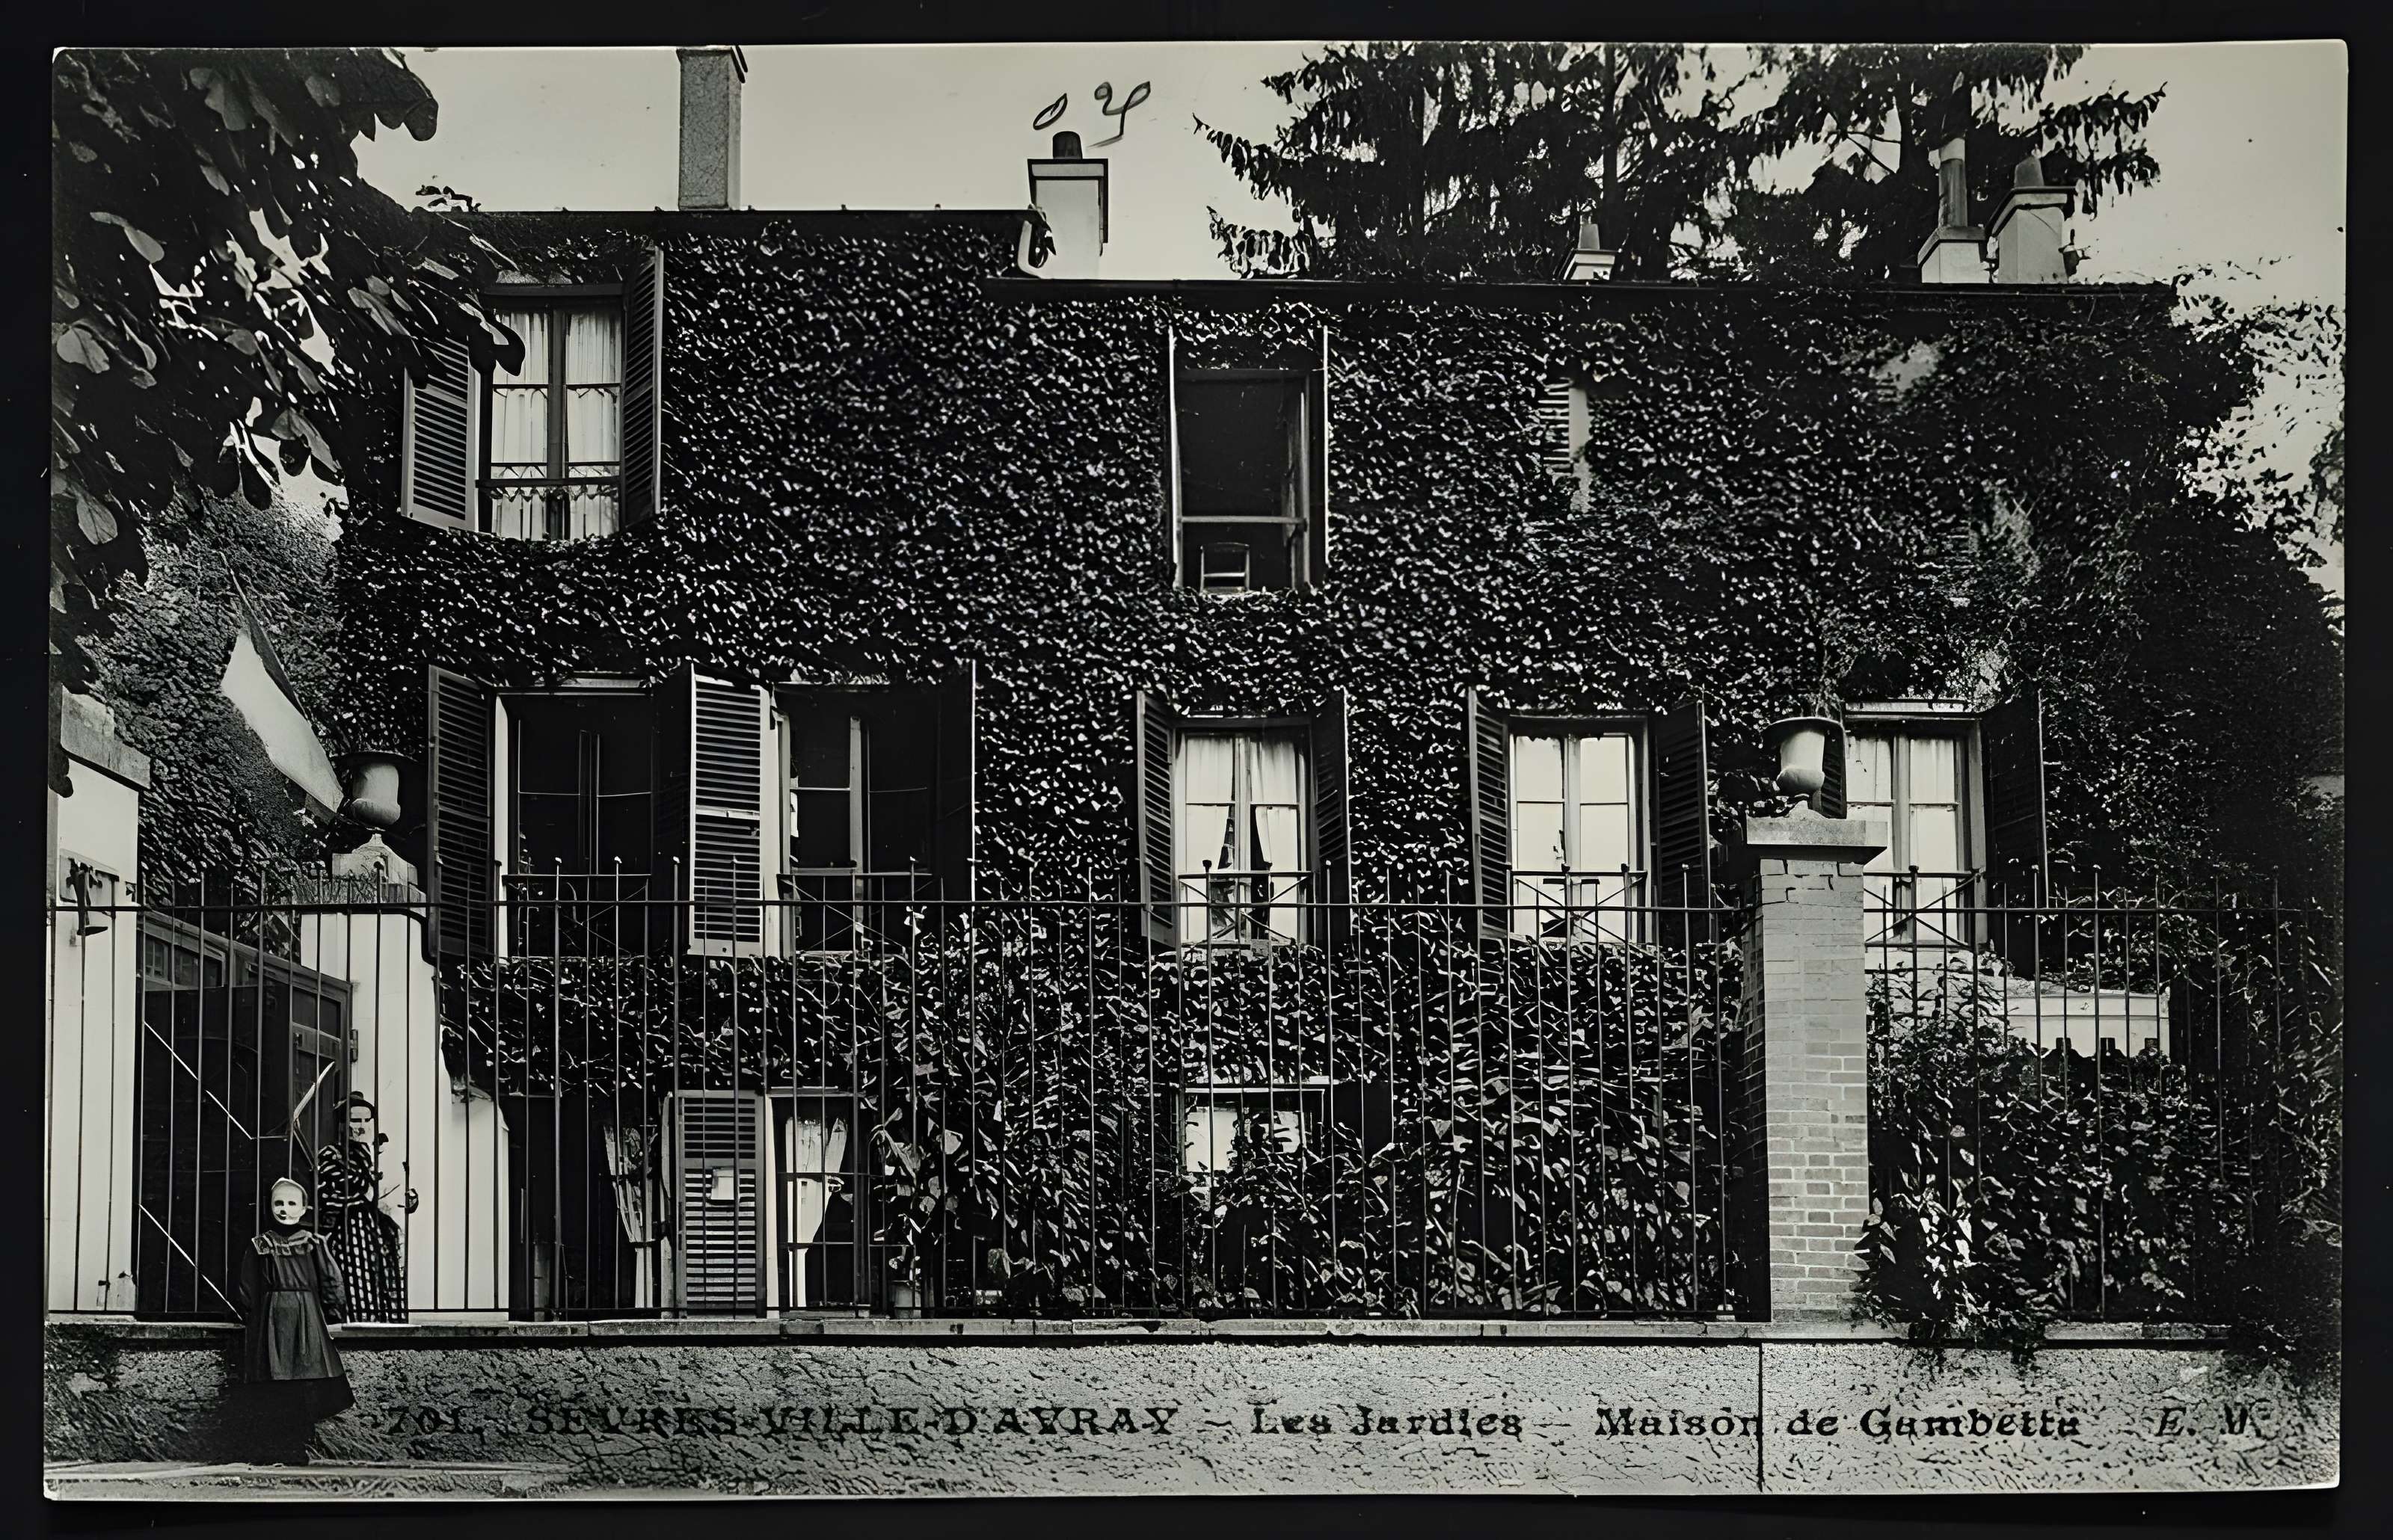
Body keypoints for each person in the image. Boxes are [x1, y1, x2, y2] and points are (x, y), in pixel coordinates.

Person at [233, 1177, 354, 1464]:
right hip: (272, 1317)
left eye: (291, 1203)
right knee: (275, 1382)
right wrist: (252, 1315)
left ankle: (299, 1445)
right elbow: (247, 1286)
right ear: (269, 1207)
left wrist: (334, 1312)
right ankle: (275, 1446)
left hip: (307, 1316)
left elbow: (331, 1279)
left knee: (305, 1379)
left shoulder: (313, 1243)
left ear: (303, 1209)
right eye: (278, 1203)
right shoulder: (260, 1245)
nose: (284, 1209)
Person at [316, 1093, 415, 1322]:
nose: (361, 1126)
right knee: (356, 1285)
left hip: (380, 1234)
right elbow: (350, 1188)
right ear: (343, 1124)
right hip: (349, 1232)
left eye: (366, 1120)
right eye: (355, 1120)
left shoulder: (377, 1154)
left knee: (385, 1285)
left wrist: (409, 1198)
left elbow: (391, 1188)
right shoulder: (331, 1154)